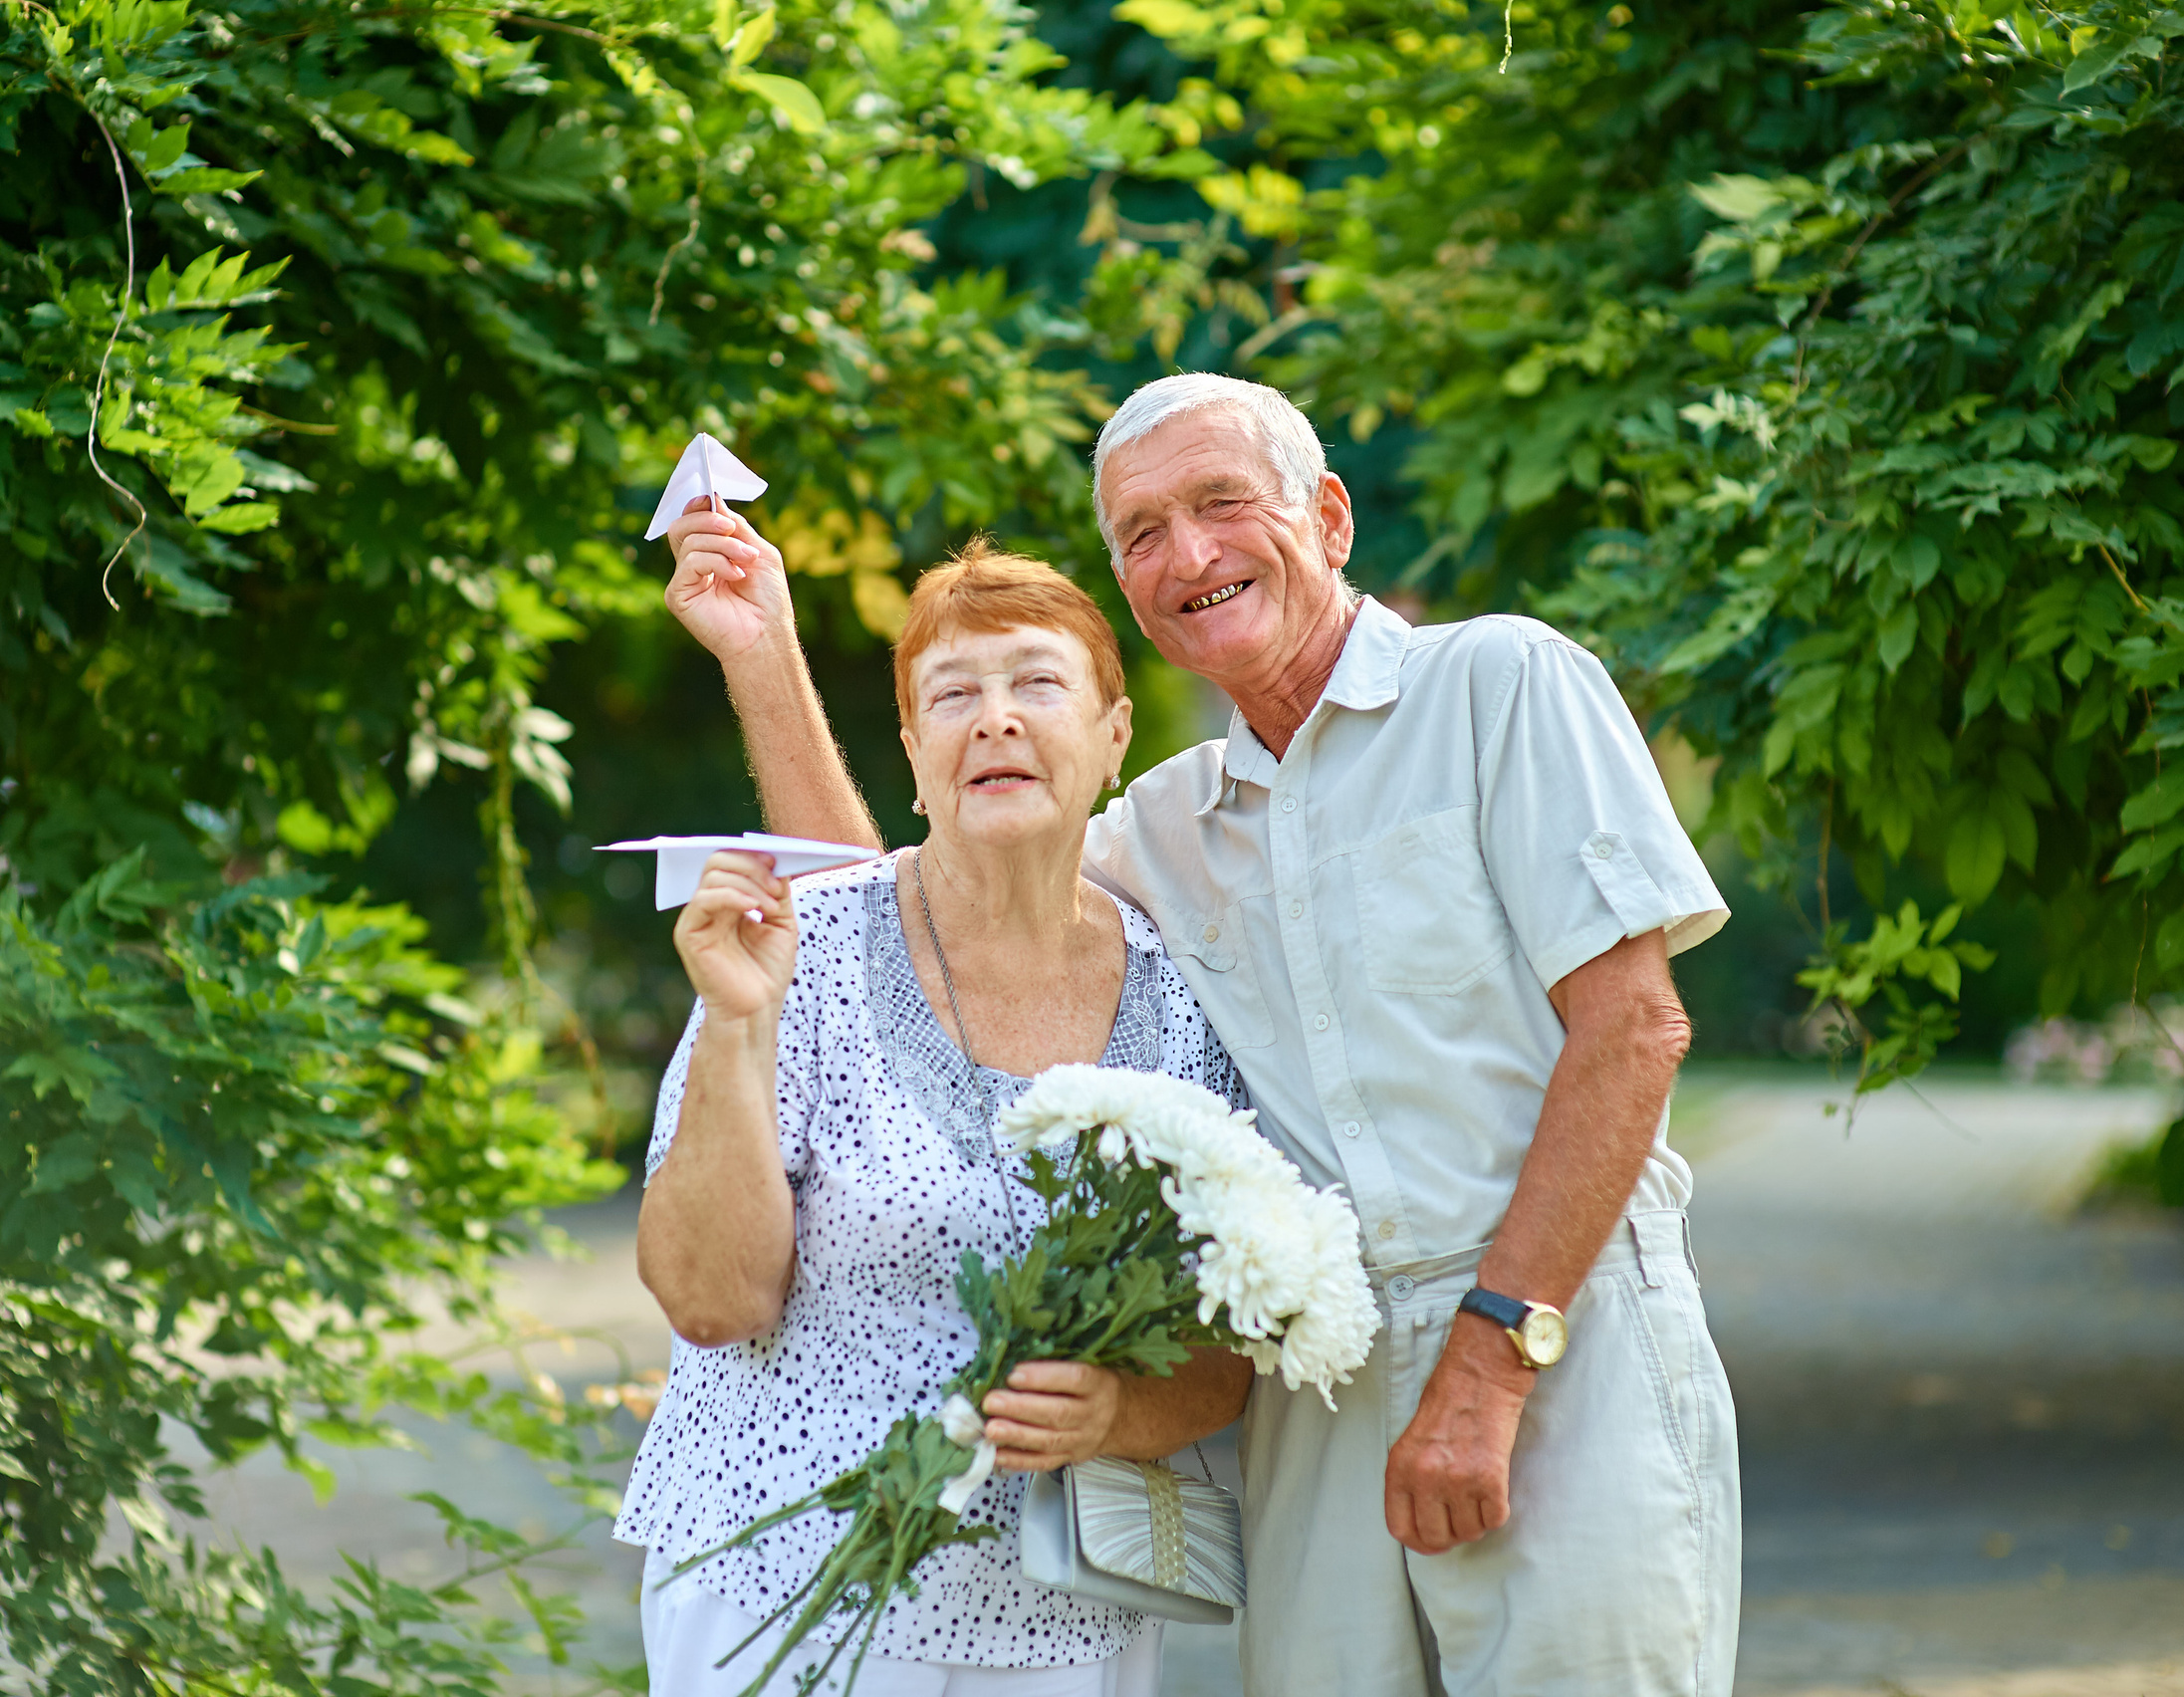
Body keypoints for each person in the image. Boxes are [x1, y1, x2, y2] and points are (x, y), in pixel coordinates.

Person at [658, 375, 1744, 1696]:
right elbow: (907, 909)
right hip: (1319, 1377)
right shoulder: (1163, 829)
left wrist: (1490, 1359)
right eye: (1141, 535)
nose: (1189, 555)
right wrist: (765, 651)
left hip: (1547, 1317)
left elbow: (1635, 1029)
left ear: (1328, 517)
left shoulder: (1500, 682)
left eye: (1221, 503)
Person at [615, 542, 1255, 1696]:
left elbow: (1226, 1354)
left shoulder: (1190, 1007)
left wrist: (1118, 1407)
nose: (994, 720)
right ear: (913, 757)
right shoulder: (794, 951)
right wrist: (737, 1025)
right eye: (953, 695)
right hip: (781, 1601)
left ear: (1115, 736)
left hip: (1063, 1623)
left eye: (1036, 684)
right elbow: (711, 1304)